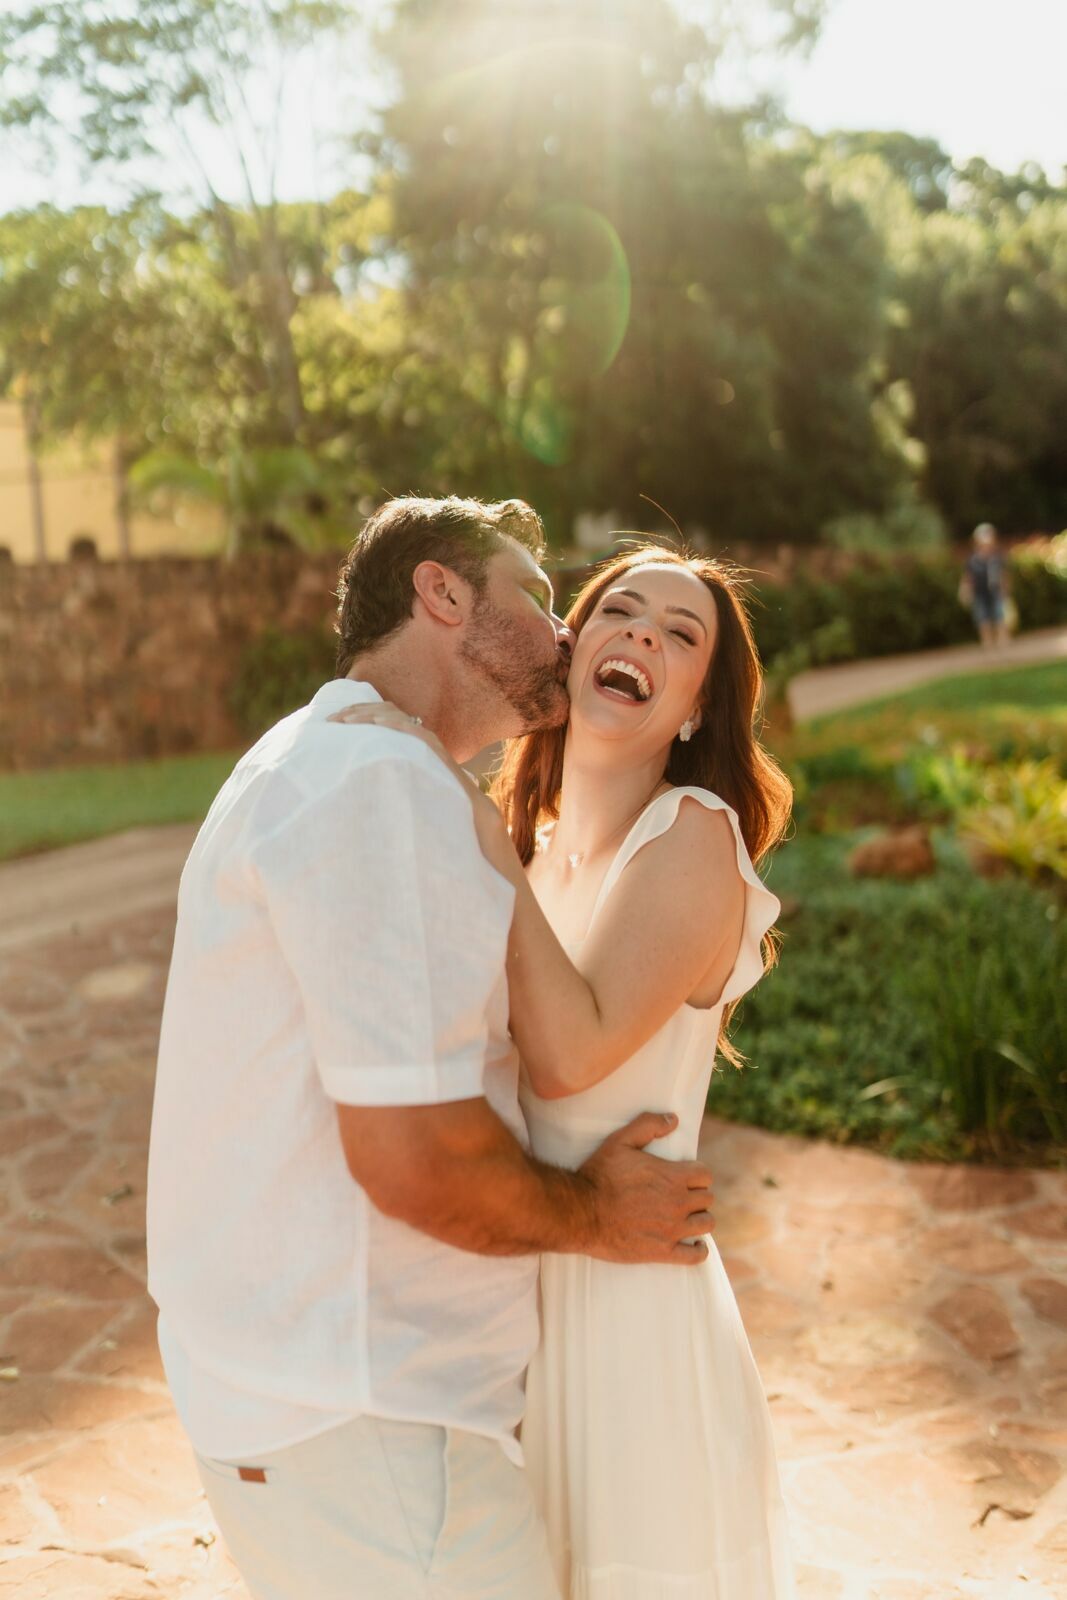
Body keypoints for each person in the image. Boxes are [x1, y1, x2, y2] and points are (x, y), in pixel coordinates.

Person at [145, 496, 717, 1600]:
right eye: (538, 596)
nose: (565, 631)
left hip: (312, 1396)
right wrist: (600, 1215)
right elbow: (416, 1154)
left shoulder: (321, 757)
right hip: (370, 1425)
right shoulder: (378, 784)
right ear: (442, 593)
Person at [336, 543, 796, 1597]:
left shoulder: (691, 835)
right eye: (619, 612)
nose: (640, 634)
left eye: (678, 636)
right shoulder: (529, 843)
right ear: (571, 645)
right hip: (520, 1290)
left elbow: (568, 1054)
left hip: (632, 1317)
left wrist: (451, 808)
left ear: (690, 710)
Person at [960, 522, 1011, 647]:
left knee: (999, 615)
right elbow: (968, 577)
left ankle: (1002, 640)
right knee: (982, 617)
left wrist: (1006, 589)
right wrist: (965, 590)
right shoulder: (973, 560)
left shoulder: (997, 557)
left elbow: (1004, 574)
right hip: (979, 592)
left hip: (995, 590)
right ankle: (987, 642)